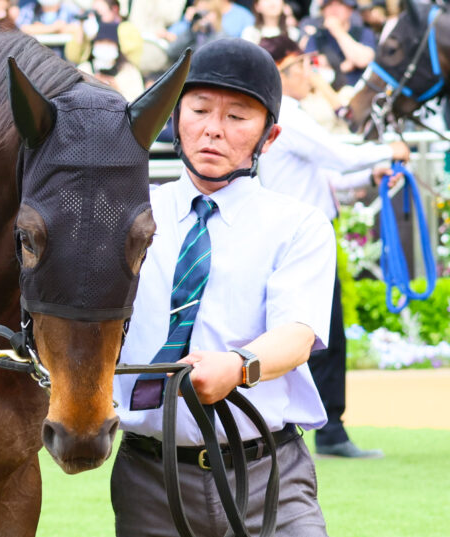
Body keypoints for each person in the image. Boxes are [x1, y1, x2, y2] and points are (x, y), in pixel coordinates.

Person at [112, 38, 334, 536]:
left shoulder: (299, 224)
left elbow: (298, 333)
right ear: (174, 118)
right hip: (150, 479)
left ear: (269, 136)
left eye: (238, 117)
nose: (213, 129)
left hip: (268, 472)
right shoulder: (128, 216)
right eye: (199, 109)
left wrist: (238, 367)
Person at [257, 35, 410, 459]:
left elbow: (330, 175)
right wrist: (389, 149)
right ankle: (329, 430)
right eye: (304, 65)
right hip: (299, 238)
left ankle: (323, 427)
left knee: (314, 333)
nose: (312, 73)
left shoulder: (287, 114)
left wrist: (372, 172)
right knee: (318, 334)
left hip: (298, 233)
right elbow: (340, 158)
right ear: (283, 72)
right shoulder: (286, 112)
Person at [300, 0, 375, 92]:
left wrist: (337, 30)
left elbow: (363, 60)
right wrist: (342, 67)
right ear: (323, 11)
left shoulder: (364, 33)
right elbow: (309, 69)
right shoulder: (316, 37)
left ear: (350, 10)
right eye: (329, 5)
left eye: (340, 4)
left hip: (358, 93)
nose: (334, 9)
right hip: (327, 94)